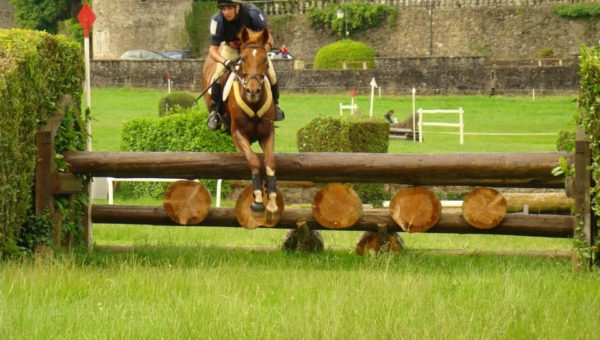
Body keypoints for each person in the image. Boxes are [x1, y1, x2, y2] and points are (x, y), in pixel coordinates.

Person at [206, 0, 285, 130]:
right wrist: (224, 61)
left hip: (254, 48)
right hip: (230, 49)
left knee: (271, 73)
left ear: (238, 7)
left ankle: (275, 106)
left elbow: (268, 37)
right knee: (218, 74)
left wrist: (262, 51)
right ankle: (215, 113)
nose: (226, 12)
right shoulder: (217, 21)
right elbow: (212, 50)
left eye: (229, 8)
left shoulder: (253, 14)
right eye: (223, 8)